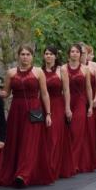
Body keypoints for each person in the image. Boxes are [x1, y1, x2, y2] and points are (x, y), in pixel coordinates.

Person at [0, 45, 52, 188]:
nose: (25, 57)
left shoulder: (38, 72)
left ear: (32, 56)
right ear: (18, 56)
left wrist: (48, 114)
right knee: (16, 141)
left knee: (30, 142)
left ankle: (23, 175)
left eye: (28, 54)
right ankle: (14, 171)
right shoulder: (10, 73)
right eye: (22, 54)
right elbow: (6, 93)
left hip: (35, 110)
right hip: (16, 110)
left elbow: (45, 93)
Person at [42, 46, 73, 182]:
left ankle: (54, 168)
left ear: (55, 56)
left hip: (58, 105)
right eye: (46, 54)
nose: (48, 56)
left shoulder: (62, 71)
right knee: (45, 137)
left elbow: (66, 90)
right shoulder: (40, 71)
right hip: (43, 105)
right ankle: (46, 166)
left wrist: (67, 108)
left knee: (54, 136)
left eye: (50, 54)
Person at [65, 44, 94, 175]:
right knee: (68, 132)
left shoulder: (85, 69)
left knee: (76, 131)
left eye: (77, 52)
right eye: (72, 51)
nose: (75, 54)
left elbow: (88, 87)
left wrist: (91, 105)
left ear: (80, 54)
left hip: (80, 102)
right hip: (67, 100)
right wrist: (66, 107)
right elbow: (64, 89)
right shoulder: (63, 69)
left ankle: (75, 163)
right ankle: (67, 161)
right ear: (68, 54)